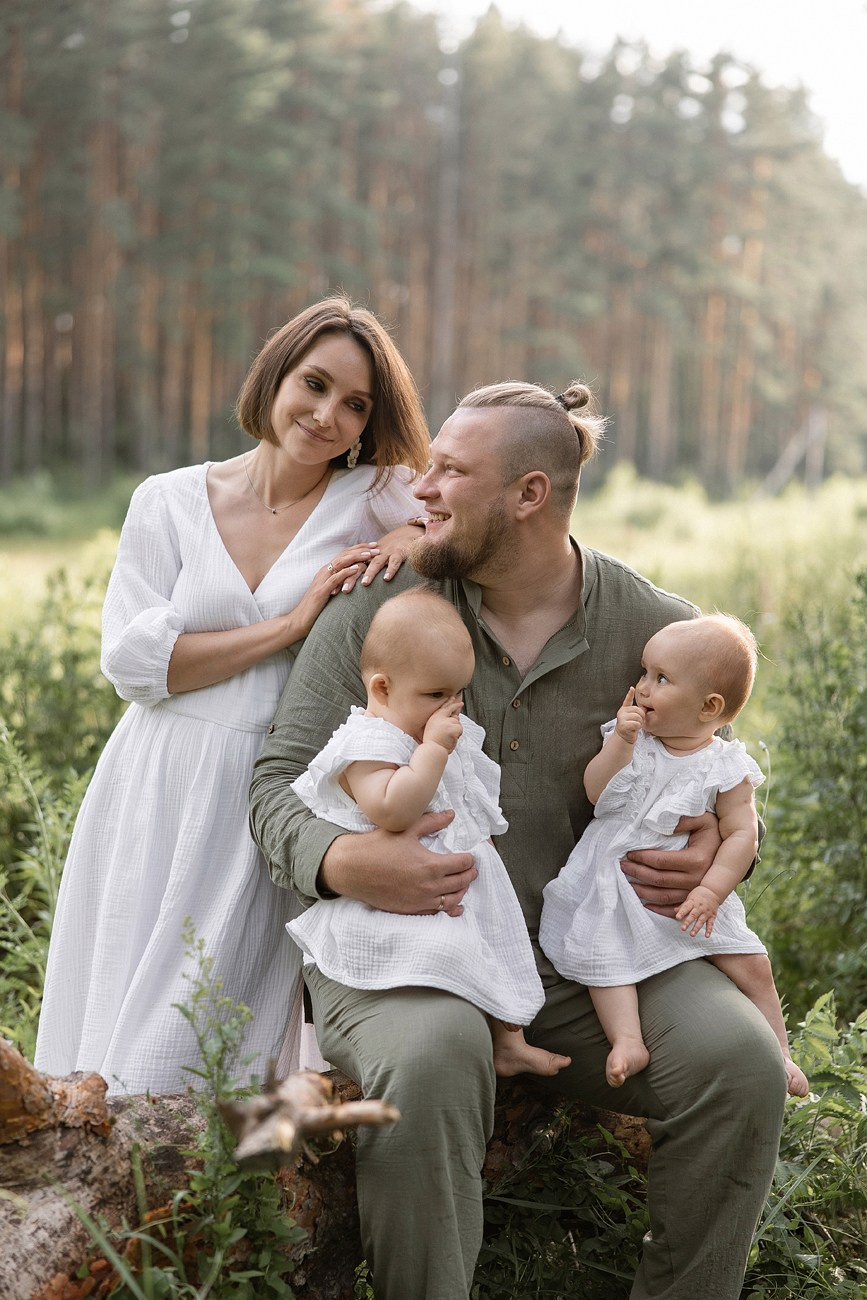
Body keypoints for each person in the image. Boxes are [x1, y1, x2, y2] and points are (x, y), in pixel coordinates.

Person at [249, 379, 787, 1300]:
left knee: (740, 1064)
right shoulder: (380, 610)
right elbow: (275, 786)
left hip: (598, 955)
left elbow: (720, 784)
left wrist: (720, 848)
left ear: (529, 494)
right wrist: (343, 861)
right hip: (416, 952)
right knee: (429, 1057)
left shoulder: (658, 631)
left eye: (450, 472)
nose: (420, 489)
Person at [34, 296, 431, 1095]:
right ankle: (91, 1142)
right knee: (123, 981)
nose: (326, 415)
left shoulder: (372, 496)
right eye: (314, 384)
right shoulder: (168, 499)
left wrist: (407, 535)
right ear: (274, 376)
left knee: (219, 1007)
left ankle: (214, 1159)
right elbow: (138, 667)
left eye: (355, 405)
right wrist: (290, 625)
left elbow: (458, 523)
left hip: (272, 782)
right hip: (157, 771)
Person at [286, 586, 570, 1078]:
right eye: (436, 695)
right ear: (382, 689)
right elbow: (392, 809)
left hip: (457, 882)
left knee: (495, 949)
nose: (450, 708)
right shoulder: (368, 743)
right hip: (395, 895)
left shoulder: (421, 730)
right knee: (447, 957)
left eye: (458, 694)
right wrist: (434, 751)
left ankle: (509, 1042)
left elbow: (462, 797)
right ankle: (437, 1027)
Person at [539, 613, 809, 1097]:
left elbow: (741, 834)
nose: (642, 687)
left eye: (660, 679)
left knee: (753, 963)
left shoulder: (725, 765)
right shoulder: (634, 742)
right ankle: (628, 1040)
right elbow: (597, 793)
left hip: (692, 898)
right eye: (644, 673)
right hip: (616, 880)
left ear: (709, 707)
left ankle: (781, 1053)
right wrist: (620, 744)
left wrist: (712, 890)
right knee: (605, 953)